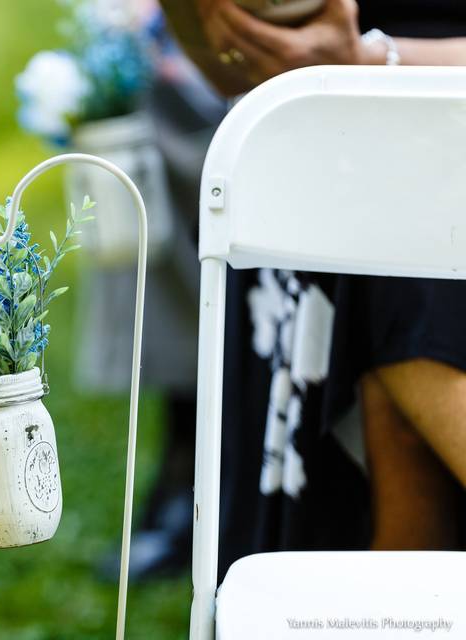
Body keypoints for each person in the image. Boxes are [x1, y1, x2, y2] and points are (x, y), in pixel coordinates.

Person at [160, 0, 466, 580]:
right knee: (392, 257)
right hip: (330, 155)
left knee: (409, 273)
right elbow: (227, 65)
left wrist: (368, 64)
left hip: (416, 131)